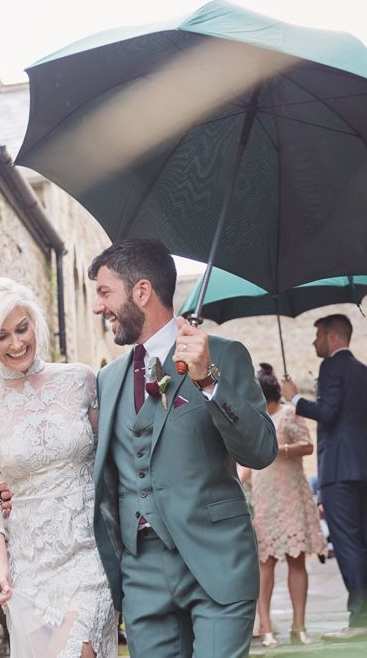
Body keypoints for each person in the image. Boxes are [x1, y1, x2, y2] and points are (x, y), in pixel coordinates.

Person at [88, 239, 278, 658]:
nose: (98, 307)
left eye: (104, 293)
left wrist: (208, 382)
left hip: (215, 561)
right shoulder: (108, 379)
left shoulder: (223, 356)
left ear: (141, 292)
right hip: (142, 576)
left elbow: (261, 451)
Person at [0, 277, 118, 657]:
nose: (16, 343)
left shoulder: (81, 380)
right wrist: (0, 564)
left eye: (22, 329)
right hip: (30, 566)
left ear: (35, 323)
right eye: (3, 336)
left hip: (90, 553)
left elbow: (108, 461)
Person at [282, 314, 367, 640]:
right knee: (361, 546)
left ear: (332, 337)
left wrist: (295, 399)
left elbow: (328, 413)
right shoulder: (362, 371)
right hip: (361, 471)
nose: (314, 342)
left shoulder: (331, 367)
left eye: (317, 336)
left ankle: (360, 622)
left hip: (339, 472)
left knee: (347, 546)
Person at [240, 363, 326, 648]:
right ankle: (265, 626)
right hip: (265, 497)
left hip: (290, 494)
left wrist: (282, 449)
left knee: (296, 561)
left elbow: (308, 446)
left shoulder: (291, 413)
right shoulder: (255, 419)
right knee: (265, 564)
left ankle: (299, 625)